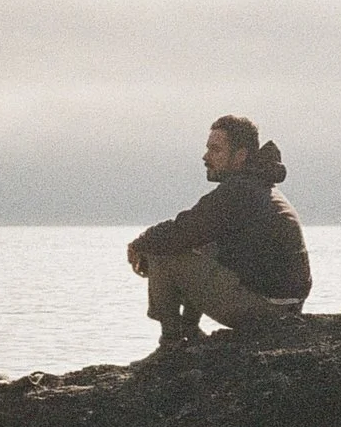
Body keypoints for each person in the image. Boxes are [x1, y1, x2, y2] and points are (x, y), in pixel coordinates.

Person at [126, 114, 311, 347]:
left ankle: (172, 344)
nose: (206, 157)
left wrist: (140, 244)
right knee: (199, 244)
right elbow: (194, 230)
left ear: (240, 156)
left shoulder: (239, 191)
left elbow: (181, 231)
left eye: (216, 150)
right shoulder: (258, 187)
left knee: (162, 253)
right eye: (208, 149)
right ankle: (190, 331)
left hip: (267, 309)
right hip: (287, 307)